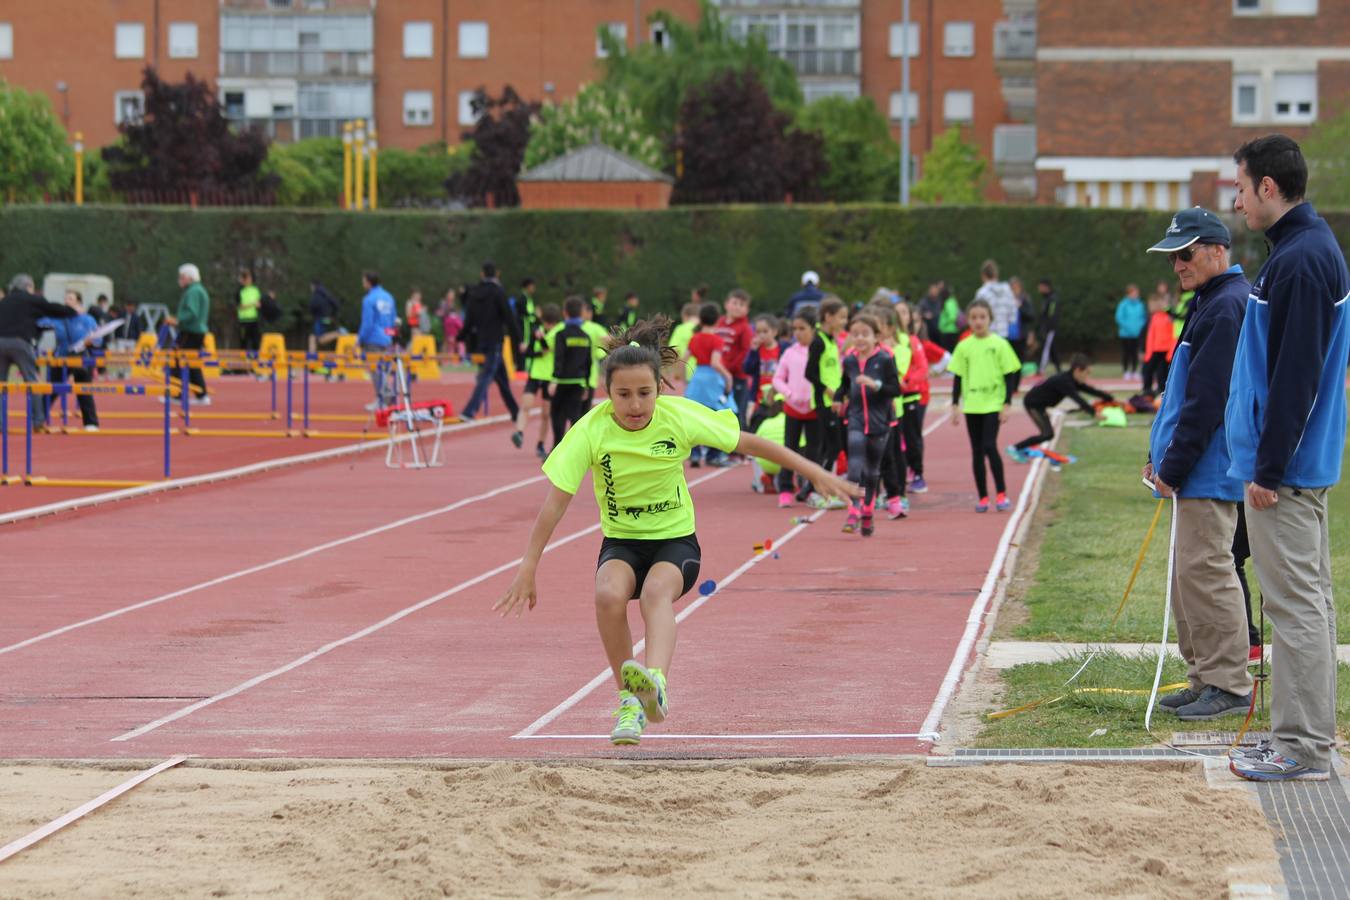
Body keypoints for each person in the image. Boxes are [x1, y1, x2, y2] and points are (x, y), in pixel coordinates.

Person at [492, 316, 858, 746]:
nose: (634, 405)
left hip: (675, 541)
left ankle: (657, 682)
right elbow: (555, 502)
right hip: (624, 541)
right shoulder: (591, 428)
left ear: (659, 388)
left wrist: (814, 471)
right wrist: (528, 566)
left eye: (644, 393)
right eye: (623, 395)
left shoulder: (676, 416)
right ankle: (631, 700)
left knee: (654, 595)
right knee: (607, 595)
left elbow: (751, 442)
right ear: (606, 393)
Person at [1225, 135, 1350, 782]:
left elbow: (1296, 376)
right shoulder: (1302, 251)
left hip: (1289, 470)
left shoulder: (1301, 261)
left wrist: (1267, 469)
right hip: (1299, 465)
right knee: (1310, 604)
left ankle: (1302, 747)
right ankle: (1304, 738)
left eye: (1241, 187)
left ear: (1269, 188)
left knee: (1296, 607)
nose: (1236, 199)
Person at [1138, 205, 1253, 723]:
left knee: (1208, 572)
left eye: (1185, 254)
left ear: (1216, 250)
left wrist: (1174, 464)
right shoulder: (1210, 299)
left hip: (1209, 470)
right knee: (1189, 576)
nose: (1177, 265)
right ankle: (1204, 675)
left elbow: (1207, 400)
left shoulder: (1227, 304)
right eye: (1172, 257)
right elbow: (1180, 392)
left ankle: (1229, 683)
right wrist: (1157, 455)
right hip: (1192, 469)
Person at [949, 299, 1020, 512]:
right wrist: (954, 404)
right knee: (977, 451)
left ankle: (1001, 493)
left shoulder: (999, 344)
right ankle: (982, 497)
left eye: (982, 317)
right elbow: (958, 378)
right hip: (972, 404)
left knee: (990, 445)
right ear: (968, 320)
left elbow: (1010, 375)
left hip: (992, 403)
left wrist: (1006, 403)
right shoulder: (964, 346)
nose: (978, 321)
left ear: (990, 318)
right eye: (974, 318)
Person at [834, 313, 900, 536]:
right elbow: (844, 385)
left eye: (865, 334)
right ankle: (853, 511)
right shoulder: (850, 361)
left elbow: (896, 389)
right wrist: (837, 397)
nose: (860, 339)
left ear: (876, 337)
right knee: (854, 467)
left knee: (872, 471)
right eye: (855, 334)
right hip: (855, 419)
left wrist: (876, 385)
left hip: (879, 422)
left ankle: (868, 511)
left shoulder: (884, 360)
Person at [0, 274, 77, 424]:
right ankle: (37, 420)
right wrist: (71, 310)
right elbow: (53, 309)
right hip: (20, 342)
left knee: (0, 383)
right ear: (29, 287)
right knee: (32, 381)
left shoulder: (4, 301)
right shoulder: (32, 299)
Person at [1007, 353, 1110, 460]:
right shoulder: (1064, 381)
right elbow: (1078, 399)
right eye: (1087, 373)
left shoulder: (1071, 379)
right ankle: (1014, 448)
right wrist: (1093, 412)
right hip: (1033, 403)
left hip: (1040, 404)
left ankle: (1020, 448)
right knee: (1047, 434)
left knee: (1047, 434)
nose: (1088, 376)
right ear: (1078, 370)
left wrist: (1109, 398)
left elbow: (1090, 390)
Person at [773, 308, 823, 507]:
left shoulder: (820, 350)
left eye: (803, 328)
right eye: (795, 329)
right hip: (793, 409)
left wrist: (815, 396)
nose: (797, 333)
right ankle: (785, 488)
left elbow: (829, 377)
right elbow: (778, 378)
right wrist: (789, 394)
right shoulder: (789, 352)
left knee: (814, 451)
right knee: (789, 449)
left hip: (815, 408)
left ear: (813, 329)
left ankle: (811, 489)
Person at [460, 262, 521, 424]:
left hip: (481, 341)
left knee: (501, 377)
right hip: (495, 341)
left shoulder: (474, 293)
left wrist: (461, 336)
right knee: (486, 377)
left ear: (482, 274)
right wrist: (518, 339)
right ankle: (469, 411)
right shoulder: (498, 292)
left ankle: (515, 411)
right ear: (497, 274)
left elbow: (469, 319)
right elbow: (509, 317)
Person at [39, 290, 101, 431]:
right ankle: (37, 418)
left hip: (80, 357)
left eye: (71, 299)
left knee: (84, 389)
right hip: (61, 357)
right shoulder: (58, 318)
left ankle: (91, 423)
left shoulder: (87, 319)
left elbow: (98, 339)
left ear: (78, 302)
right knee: (51, 389)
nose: (67, 301)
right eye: (66, 298)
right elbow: (41, 322)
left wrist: (89, 341)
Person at [681, 302, 734, 468]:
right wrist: (728, 376)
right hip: (712, 379)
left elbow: (683, 360)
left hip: (698, 378)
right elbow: (715, 362)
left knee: (695, 416)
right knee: (715, 416)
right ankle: (713, 455)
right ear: (718, 320)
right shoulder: (717, 340)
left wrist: (686, 380)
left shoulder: (694, 338)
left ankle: (695, 454)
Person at [514, 302, 560, 459]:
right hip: (535, 374)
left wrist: (541, 345)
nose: (549, 326)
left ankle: (540, 443)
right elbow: (528, 352)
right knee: (526, 404)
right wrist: (537, 351)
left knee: (546, 414)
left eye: (552, 324)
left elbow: (548, 348)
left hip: (550, 377)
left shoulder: (558, 334)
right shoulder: (537, 331)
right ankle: (519, 432)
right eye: (547, 323)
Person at [545, 296, 592, 451]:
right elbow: (588, 363)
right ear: (581, 314)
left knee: (557, 416)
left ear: (565, 313)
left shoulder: (561, 334)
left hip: (562, 382)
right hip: (578, 382)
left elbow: (559, 359)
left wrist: (554, 380)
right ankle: (575, 451)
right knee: (575, 417)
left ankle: (556, 449)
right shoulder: (586, 337)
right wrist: (585, 383)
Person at [168, 264, 211, 405]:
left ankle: (176, 394)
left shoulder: (193, 291)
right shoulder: (199, 290)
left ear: (190, 277)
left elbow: (192, 312)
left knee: (178, 360)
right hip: (197, 331)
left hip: (190, 331)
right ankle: (201, 394)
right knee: (192, 364)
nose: (179, 279)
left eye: (182, 276)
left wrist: (177, 320)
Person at [357, 270, 397, 410]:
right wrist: (390, 336)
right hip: (386, 337)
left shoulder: (368, 300)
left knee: (375, 370)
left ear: (368, 282)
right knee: (384, 369)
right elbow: (393, 319)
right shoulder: (389, 297)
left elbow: (367, 323)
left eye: (363, 281)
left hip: (373, 338)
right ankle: (386, 396)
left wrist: (359, 339)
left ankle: (383, 399)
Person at [715, 289, 754, 426]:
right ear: (726, 304)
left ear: (747, 309)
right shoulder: (719, 322)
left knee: (736, 413)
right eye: (735, 303)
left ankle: (739, 447)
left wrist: (728, 368)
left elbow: (744, 352)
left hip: (736, 377)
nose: (737, 307)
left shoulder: (745, 328)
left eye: (742, 304)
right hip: (718, 375)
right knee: (718, 411)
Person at [1140, 291, 1176, 394]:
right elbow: (1150, 336)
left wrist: (1171, 352)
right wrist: (1148, 352)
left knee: (1162, 372)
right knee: (1148, 370)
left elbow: (1174, 335)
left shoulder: (1169, 317)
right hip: (1155, 350)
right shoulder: (1154, 317)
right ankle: (1147, 390)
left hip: (1166, 350)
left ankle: (1162, 389)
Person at [1115, 283, 1147, 380]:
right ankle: (1126, 371)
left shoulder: (1140, 304)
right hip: (1126, 334)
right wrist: (1129, 328)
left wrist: (1140, 328)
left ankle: (1134, 371)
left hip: (1137, 334)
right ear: (1128, 293)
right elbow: (1119, 317)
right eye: (1133, 293)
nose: (1135, 294)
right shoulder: (1123, 304)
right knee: (1126, 353)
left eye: (1136, 293)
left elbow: (1143, 317)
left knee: (1135, 353)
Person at [308, 280, 342, 354]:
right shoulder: (327, 294)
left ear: (313, 286)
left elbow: (312, 307)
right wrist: (333, 315)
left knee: (318, 339)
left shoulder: (316, 295)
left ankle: (339, 333)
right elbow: (336, 304)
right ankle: (311, 357)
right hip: (328, 319)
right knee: (313, 337)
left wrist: (314, 314)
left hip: (321, 318)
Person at [1035, 279, 1061, 373]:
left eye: (1040, 287)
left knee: (1046, 348)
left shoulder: (1052, 299)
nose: (1039, 289)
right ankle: (1058, 368)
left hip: (1049, 329)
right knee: (1051, 348)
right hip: (1046, 329)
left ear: (1046, 287)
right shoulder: (1045, 299)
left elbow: (1052, 315)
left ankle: (1040, 370)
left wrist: (1047, 328)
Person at [236, 268, 262, 353]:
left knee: (256, 343)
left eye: (250, 278)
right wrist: (253, 304)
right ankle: (241, 365)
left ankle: (255, 363)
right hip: (243, 321)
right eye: (247, 278)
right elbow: (239, 306)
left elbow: (259, 303)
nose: (249, 280)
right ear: (243, 280)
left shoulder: (255, 290)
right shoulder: (239, 291)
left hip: (254, 320)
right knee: (243, 343)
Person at [937, 282, 961, 352]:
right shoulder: (951, 301)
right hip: (948, 331)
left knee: (948, 351)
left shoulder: (949, 302)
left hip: (949, 331)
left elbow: (952, 317)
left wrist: (944, 324)